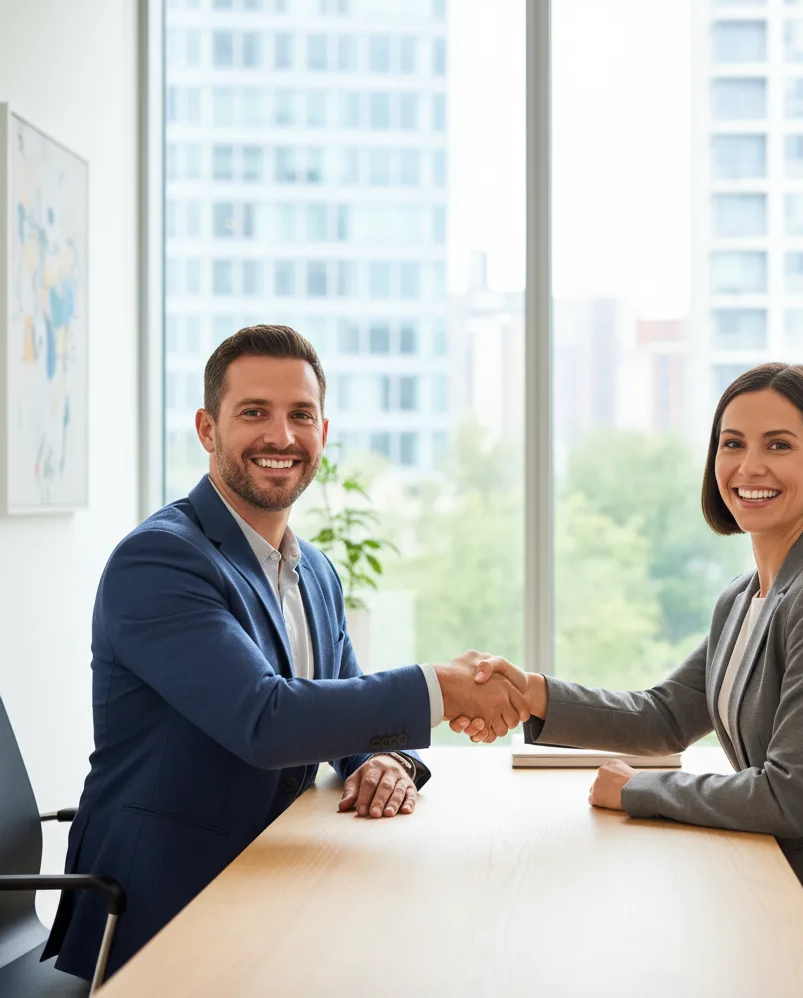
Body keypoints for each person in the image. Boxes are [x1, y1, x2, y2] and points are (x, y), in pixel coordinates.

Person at [44, 325, 527, 982]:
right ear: (207, 429)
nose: (282, 436)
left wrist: (382, 759)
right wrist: (443, 688)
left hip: (275, 875)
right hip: (164, 903)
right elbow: (265, 720)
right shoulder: (160, 560)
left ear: (322, 433)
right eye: (254, 412)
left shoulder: (314, 570)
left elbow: (340, 703)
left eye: (301, 415)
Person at [458, 363, 803, 997]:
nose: (750, 466)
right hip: (784, 905)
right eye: (733, 443)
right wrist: (532, 692)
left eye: (779, 445)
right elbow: (665, 715)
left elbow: (789, 797)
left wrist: (639, 790)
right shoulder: (746, 597)